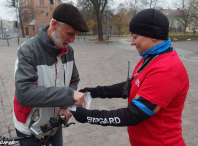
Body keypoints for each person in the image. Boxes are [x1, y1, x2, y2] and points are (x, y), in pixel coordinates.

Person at [71, 9, 189, 146]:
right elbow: (131, 85)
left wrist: (89, 116)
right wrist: (94, 91)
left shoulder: (166, 69)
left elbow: (134, 114)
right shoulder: (151, 56)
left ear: (153, 35)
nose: (132, 43)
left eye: (135, 37)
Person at [13, 3, 89, 146]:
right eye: (70, 33)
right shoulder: (28, 51)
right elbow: (24, 93)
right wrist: (68, 96)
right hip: (30, 128)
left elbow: (74, 79)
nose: (72, 40)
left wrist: (65, 106)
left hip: (54, 125)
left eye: (75, 35)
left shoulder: (68, 51)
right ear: (54, 24)